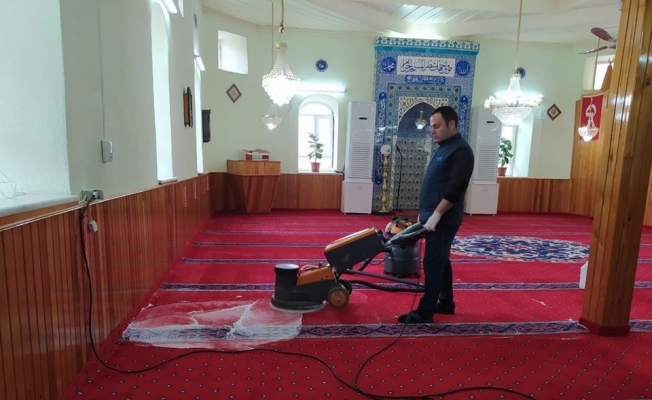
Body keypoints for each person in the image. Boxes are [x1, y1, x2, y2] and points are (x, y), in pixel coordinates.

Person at [398, 106, 474, 324]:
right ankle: (446, 301)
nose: (432, 130)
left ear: (451, 124)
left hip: (443, 219)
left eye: (437, 126)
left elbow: (456, 188)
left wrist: (437, 215)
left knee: (433, 263)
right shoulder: (445, 148)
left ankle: (425, 311)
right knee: (442, 260)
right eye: (431, 126)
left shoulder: (461, 151)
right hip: (433, 217)